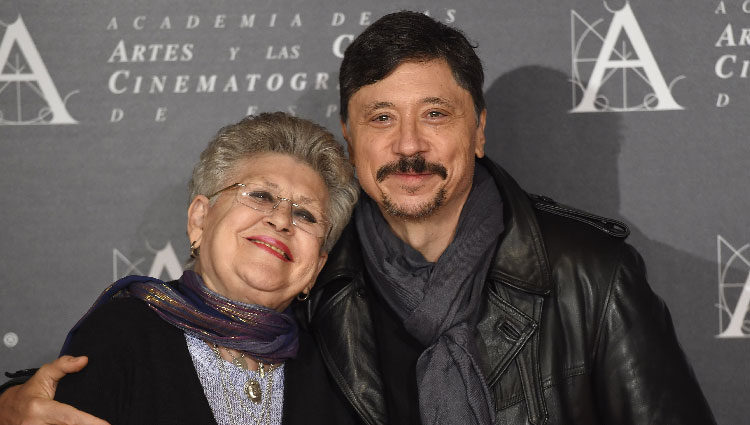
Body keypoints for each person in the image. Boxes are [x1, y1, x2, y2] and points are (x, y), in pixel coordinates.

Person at [0, 11, 717, 425]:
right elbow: (129, 361)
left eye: (435, 114)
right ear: (351, 140)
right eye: (382, 118)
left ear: (479, 132)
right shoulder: (316, 287)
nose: (408, 145)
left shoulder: (592, 277)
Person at [0, 112, 360, 425]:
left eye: (305, 214)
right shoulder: (122, 334)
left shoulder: (337, 371)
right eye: (261, 195)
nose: (281, 219)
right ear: (200, 219)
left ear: (317, 266)